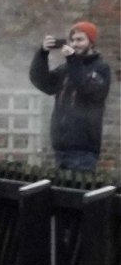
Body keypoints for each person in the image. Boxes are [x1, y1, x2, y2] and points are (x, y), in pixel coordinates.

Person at [29, 21, 111, 171]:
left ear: (91, 43)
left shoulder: (101, 68)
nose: (75, 44)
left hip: (83, 151)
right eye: (72, 40)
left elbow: (87, 88)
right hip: (61, 149)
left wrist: (72, 59)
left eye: (80, 40)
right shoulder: (66, 68)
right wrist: (42, 53)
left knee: (78, 193)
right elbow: (42, 82)